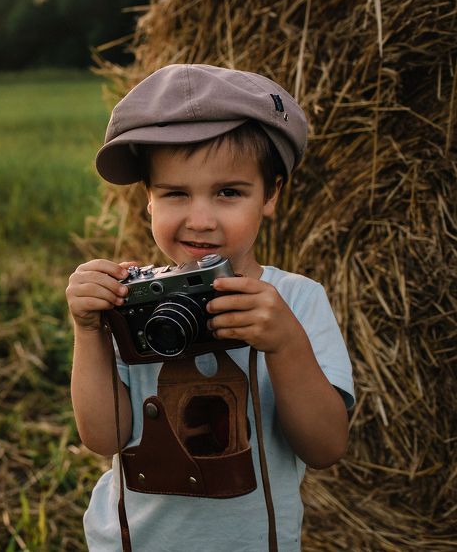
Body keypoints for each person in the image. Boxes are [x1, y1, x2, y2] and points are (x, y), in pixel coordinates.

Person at [66, 64, 354, 551]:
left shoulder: (296, 301)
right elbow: (104, 437)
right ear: (149, 200)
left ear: (271, 194)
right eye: (175, 193)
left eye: (228, 193)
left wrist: (286, 344)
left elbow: (325, 448)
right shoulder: (134, 303)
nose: (200, 220)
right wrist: (89, 329)